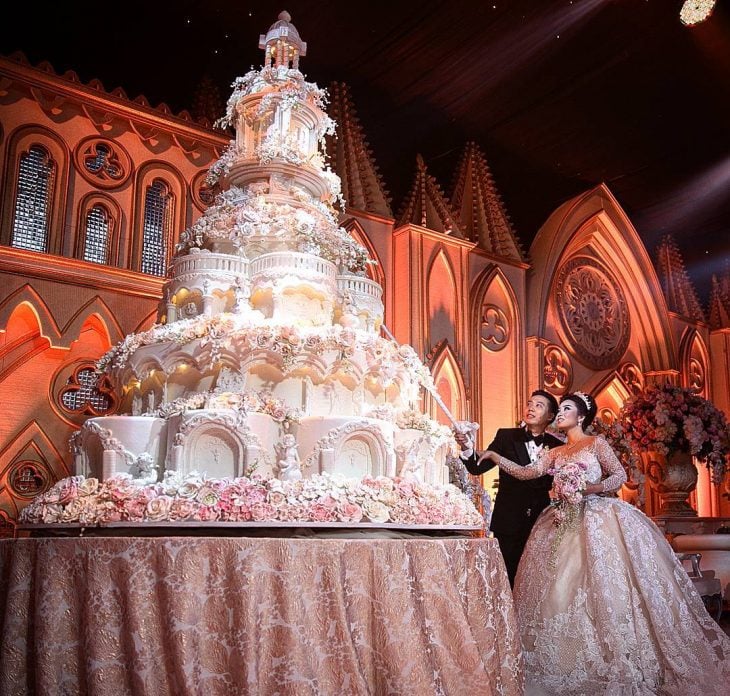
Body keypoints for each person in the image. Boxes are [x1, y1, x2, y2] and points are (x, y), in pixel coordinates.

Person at [478, 391, 730, 695]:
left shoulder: (596, 443)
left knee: (602, 582)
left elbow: (619, 475)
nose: (560, 414)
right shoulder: (555, 452)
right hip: (561, 520)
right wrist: (494, 456)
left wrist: (591, 488)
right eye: (559, 410)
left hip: (597, 518)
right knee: (560, 586)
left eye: (566, 409)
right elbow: (525, 472)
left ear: (581, 416)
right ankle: (562, 657)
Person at [455, 390, 562, 587]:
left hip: (541, 521)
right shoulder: (506, 436)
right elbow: (477, 467)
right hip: (509, 520)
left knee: (537, 579)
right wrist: (467, 448)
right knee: (506, 577)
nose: (531, 407)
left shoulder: (558, 446)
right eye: (529, 403)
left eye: (539, 405)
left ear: (550, 416)